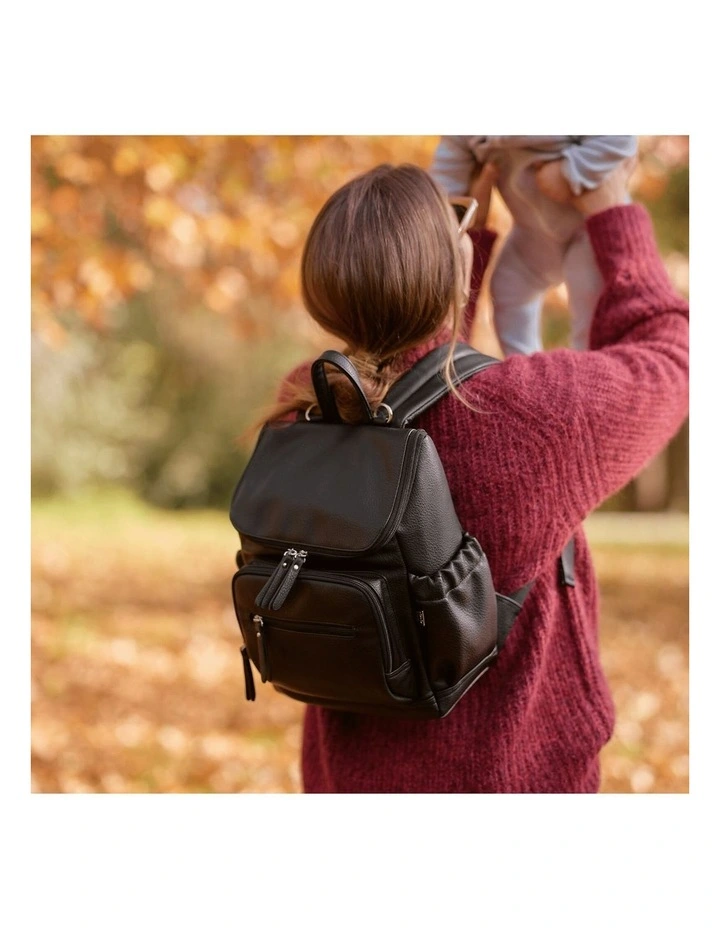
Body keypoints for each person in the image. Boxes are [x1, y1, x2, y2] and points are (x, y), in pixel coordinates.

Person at [264, 155, 688, 793]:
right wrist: (612, 208)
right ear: (451, 263)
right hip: (507, 784)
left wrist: (460, 248)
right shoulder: (534, 417)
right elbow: (671, 359)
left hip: (345, 779)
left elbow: (420, 387)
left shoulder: (305, 407)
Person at [429, 136, 638, 355]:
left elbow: (620, 139)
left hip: (587, 230)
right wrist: (443, 215)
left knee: (590, 299)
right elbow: (446, 177)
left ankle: (590, 363)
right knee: (507, 285)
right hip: (531, 234)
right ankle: (526, 362)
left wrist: (570, 171)